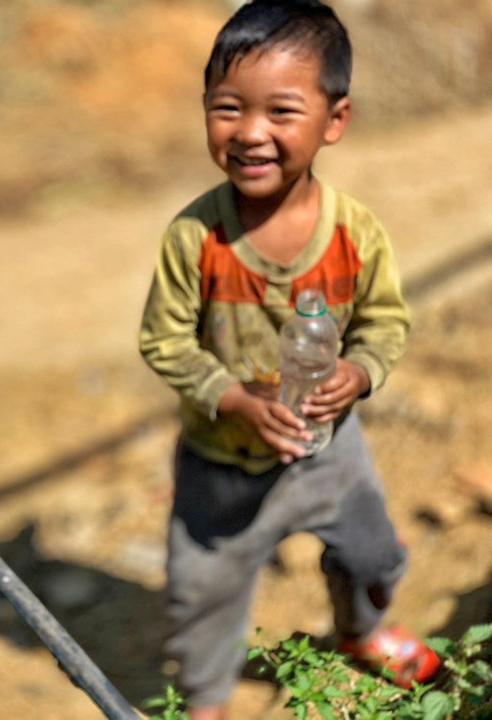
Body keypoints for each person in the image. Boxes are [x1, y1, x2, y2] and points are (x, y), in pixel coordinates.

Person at [138, 2, 439, 717]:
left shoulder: (355, 234)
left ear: (334, 120)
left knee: (371, 556)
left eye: (281, 111)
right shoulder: (194, 237)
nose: (249, 133)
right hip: (221, 465)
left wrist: (360, 371)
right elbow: (164, 341)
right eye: (227, 108)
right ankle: (206, 701)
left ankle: (361, 630)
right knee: (201, 593)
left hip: (328, 454)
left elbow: (386, 323)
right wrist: (236, 399)